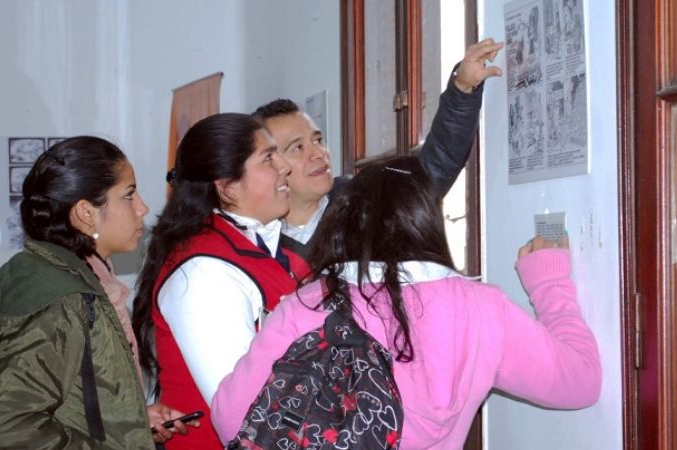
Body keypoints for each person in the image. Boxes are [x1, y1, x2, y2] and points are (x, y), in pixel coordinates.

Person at [211, 156, 602, 449]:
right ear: (427, 220)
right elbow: (581, 383)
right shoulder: (482, 309)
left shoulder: (310, 304)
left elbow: (232, 419)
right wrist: (549, 281)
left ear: (346, 223)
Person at [0, 137, 193, 449]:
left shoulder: (69, 276)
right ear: (86, 213)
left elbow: (73, 399)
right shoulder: (63, 299)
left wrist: (131, 424)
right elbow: (5, 428)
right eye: (129, 195)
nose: (143, 208)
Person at [132, 113, 310, 450]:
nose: (285, 166)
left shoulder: (279, 254)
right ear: (226, 186)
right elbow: (245, 410)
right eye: (268, 158)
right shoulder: (202, 274)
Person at [252, 38, 504, 259]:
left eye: (318, 140)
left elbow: (434, 167)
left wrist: (461, 90)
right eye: (297, 148)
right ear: (271, 163)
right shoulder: (256, 243)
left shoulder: (365, 202)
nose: (318, 153)